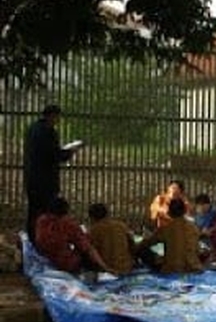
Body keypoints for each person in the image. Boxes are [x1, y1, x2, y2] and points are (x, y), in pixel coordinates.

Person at [24, 105, 77, 238]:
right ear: (52, 115)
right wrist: (69, 152)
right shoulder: (48, 131)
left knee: (34, 211)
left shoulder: (32, 129)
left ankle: (33, 237)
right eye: (57, 117)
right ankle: (44, 239)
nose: (58, 120)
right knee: (46, 213)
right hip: (46, 180)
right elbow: (53, 155)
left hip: (32, 178)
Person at [35, 197, 113, 275]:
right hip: (64, 263)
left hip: (45, 258)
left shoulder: (41, 220)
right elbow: (87, 247)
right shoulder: (68, 224)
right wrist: (104, 267)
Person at [135, 198, 203, 274]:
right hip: (194, 268)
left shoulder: (166, 228)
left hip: (172, 269)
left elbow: (146, 243)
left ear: (169, 212)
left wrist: (134, 248)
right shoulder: (194, 228)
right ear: (184, 211)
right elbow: (197, 250)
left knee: (143, 251)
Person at [87, 203, 135, 275]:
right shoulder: (121, 225)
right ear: (107, 214)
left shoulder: (94, 230)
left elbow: (90, 250)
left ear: (91, 217)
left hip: (106, 269)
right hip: (126, 268)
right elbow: (132, 244)